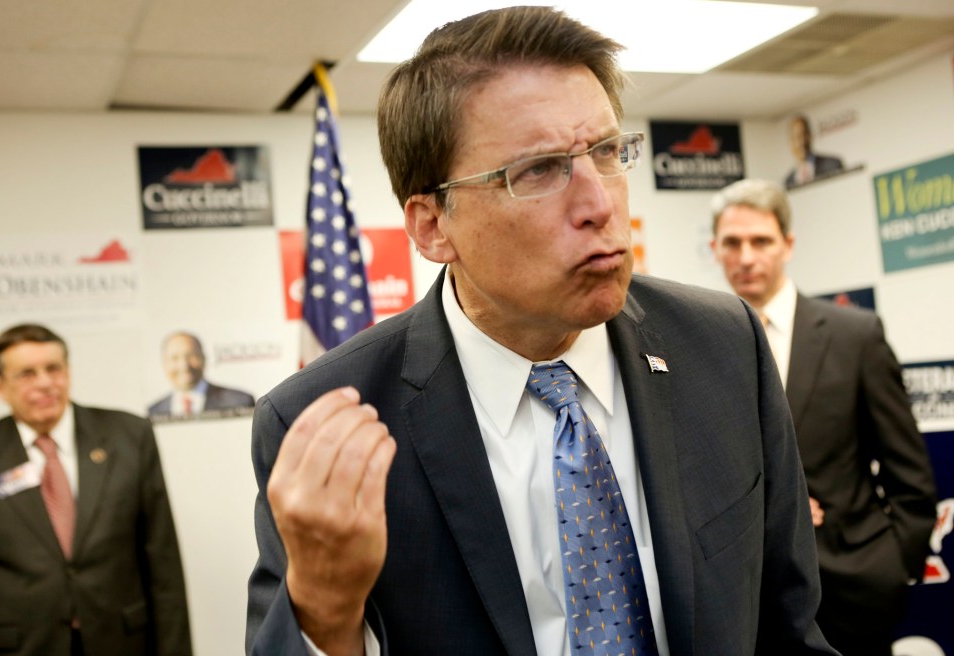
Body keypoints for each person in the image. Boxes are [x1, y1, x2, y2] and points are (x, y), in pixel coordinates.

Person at [247, 7, 838, 656]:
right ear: (432, 225)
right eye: (537, 171)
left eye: (607, 153)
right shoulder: (326, 420)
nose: (600, 206)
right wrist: (326, 615)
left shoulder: (724, 345)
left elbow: (789, 629)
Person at [710, 178, 938, 656]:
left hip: (853, 588)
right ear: (714, 248)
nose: (746, 257)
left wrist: (893, 567)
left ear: (787, 245)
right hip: (745, 597)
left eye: (761, 241)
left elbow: (910, 475)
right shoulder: (698, 345)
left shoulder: (855, 335)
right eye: (732, 243)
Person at [0, 323, 192, 655]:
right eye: (26, 374)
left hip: (121, 641)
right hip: (19, 646)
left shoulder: (129, 437)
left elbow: (163, 563)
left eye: (53, 368)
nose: (45, 382)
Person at [148, 330, 255, 421]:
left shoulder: (239, 401)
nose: (184, 366)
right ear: (164, 363)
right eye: (175, 358)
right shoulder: (154, 411)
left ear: (203, 358)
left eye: (190, 356)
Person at [784, 114, 844, 189]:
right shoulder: (789, 182)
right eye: (796, 137)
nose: (801, 142)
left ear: (810, 136)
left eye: (804, 135)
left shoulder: (833, 165)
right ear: (790, 143)